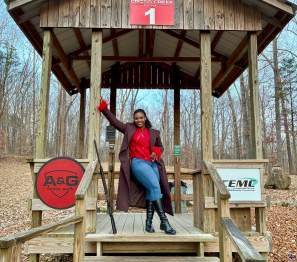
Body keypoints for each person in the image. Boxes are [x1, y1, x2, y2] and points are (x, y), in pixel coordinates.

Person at [97, 97, 176, 235]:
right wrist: (104, 108)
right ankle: (164, 222)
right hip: (137, 163)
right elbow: (114, 122)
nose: (139, 120)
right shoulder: (128, 128)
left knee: (152, 190)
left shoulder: (154, 132)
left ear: (145, 118)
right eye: (136, 118)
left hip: (152, 164)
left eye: (141, 118)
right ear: (134, 119)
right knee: (155, 186)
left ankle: (148, 224)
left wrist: (155, 152)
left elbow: (160, 147)